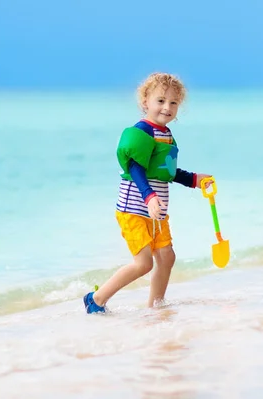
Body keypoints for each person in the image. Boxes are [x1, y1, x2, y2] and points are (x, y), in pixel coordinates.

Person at [83, 72, 212, 313]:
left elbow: (166, 171)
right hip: (134, 209)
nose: (167, 107)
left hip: (157, 211)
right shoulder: (142, 131)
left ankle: (156, 305)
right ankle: (96, 299)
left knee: (167, 257)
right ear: (146, 102)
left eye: (173, 103)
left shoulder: (166, 135)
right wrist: (150, 197)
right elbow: (136, 169)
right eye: (160, 100)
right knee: (143, 263)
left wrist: (194, 179)